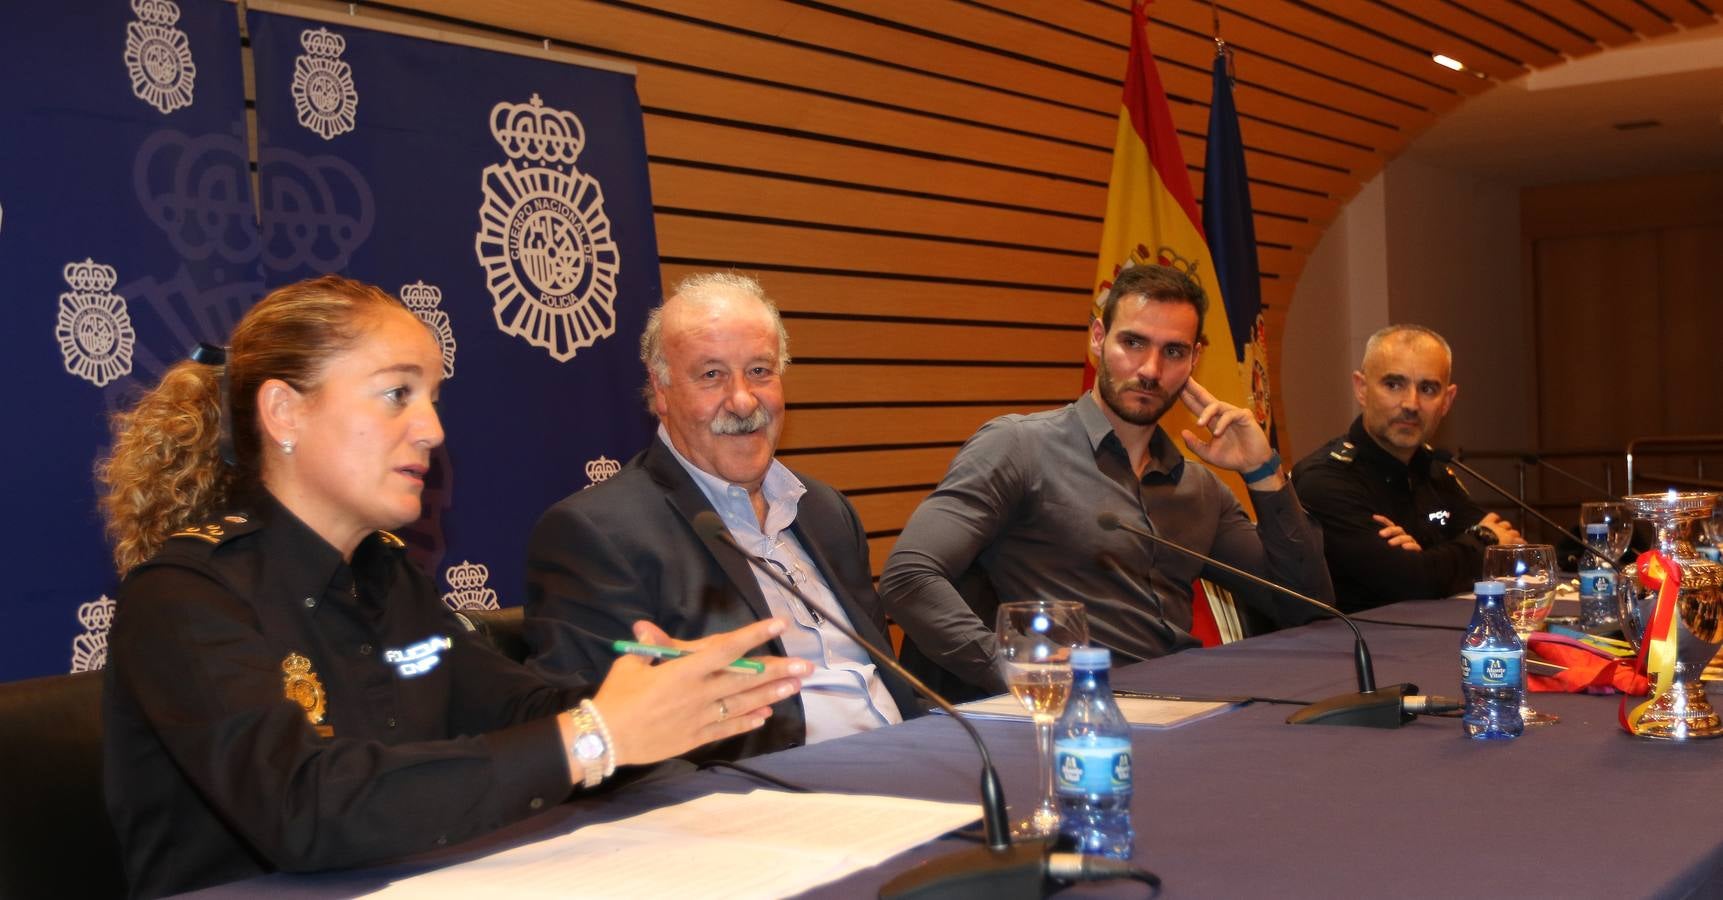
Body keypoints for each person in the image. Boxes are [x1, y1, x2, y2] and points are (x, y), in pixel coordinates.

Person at [97, 275, 809, 899]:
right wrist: (593, 737)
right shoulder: (184, 597)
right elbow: (306, 808)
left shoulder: (386, 576)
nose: (433, 429)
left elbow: (512, 707)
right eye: (397, 394)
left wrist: (650, 698)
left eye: (433, 397)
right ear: (285, 412)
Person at [879, 264, 1333, 695]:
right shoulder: (1020, 447)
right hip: (1082, 715)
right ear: (1098, 339)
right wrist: (1016, 674)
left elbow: (1308, 609)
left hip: (1190, 705)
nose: (1151, 370)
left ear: (1195, 359)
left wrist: (1262, 471)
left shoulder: (1200, 489)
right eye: (1133, 343)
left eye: (1172, 351)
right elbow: (908, 577)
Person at [524, 272, 918, 759]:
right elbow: (612, 747)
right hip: (775, 804)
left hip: (909, 764)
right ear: (662, 390)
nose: (742, 400)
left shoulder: (825, 510)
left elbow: (889, 681)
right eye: (712, 374)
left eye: (759, 371)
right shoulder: (596, 535)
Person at [1291, 325, 1524, 612]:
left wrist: (1428, 561)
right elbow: (1408, 581)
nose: (1411, 404)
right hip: (1355, 650)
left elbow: (1511, 551)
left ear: (1447, 401)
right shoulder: (1326, 480)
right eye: (1393, 385)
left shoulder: (1433, 469)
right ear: (1361, 389)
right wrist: (1479, 540)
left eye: (1427, 389)